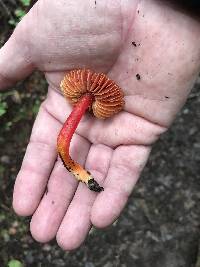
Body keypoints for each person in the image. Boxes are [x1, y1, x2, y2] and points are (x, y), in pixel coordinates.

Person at [0, 0, 199, 251]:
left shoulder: (102, 101)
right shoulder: (79, 89)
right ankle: (82, 175)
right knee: (62, 149)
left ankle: (83, 176)